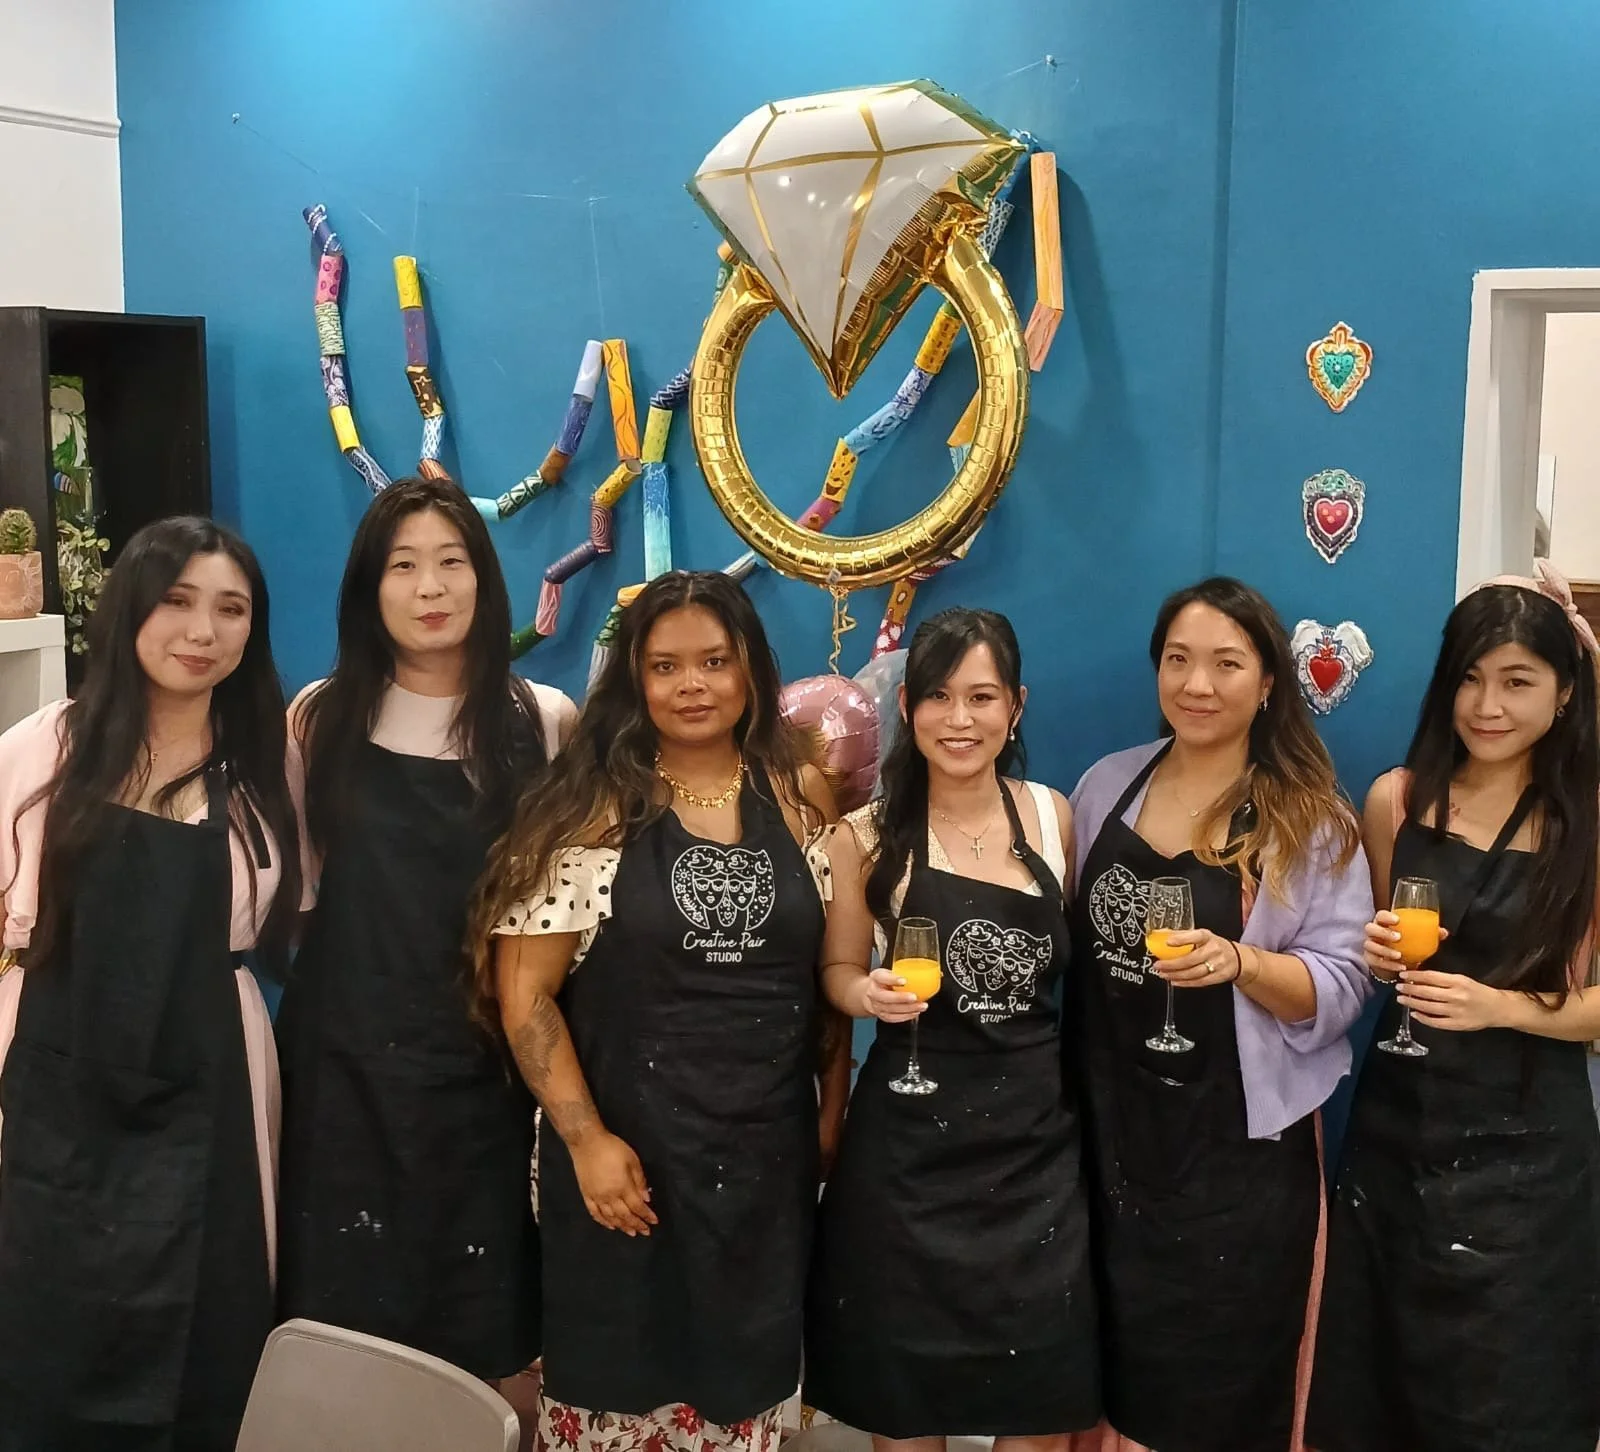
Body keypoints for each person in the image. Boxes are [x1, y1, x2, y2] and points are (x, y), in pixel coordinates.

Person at [473, 569, 856, 1452]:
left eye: (715, 662)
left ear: (750, 669)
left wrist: (829, 1118)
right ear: (635, 678)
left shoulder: (801, 794)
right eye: (666, 666)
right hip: (626, 1168)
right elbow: (524, 994)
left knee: (745, 1397)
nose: (693, 685)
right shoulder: (589, 806)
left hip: (764, 1170)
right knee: (620, 1389)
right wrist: (586, 1143)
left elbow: (822, 982)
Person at [0, 516, 300, 1449]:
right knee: (41, 1334)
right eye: (177, 600)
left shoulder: (266, 764)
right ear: (131, 604)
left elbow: (301, 907)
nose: (203, 631)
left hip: (214, 1075)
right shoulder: (41, 747)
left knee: (210, 1333)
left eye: (231, 609)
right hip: (50, 1078)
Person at [276, 476, 573, 1381]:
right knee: (341, 1324)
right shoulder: (318, 717)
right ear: (370, 587)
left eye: (451, 562)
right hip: (342, 1067)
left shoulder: (542, 720)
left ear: (484, 577)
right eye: (403, 566)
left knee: (486, 1327)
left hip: (483, 1071)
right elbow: (298, 898)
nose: (430, 588)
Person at [1067, 577, 1372, 1452]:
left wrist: (1243, 962)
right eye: (1178, 660)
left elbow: (1344, 985)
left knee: (1217, 1381)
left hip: (1238, 1151)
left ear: (1269, 681)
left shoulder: (1309, 819)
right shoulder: (1103, 787)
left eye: (1226, 664)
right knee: (1101, 1361)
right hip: (1107, 1130)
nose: (1197, 684)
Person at [1307, 563, 1600, 1452]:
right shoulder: (1397, 800)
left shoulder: (1588, 822)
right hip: (1398, 1134)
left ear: (1564, 693)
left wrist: (1503, 1008)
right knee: (1380, 1386)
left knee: (1506, 1399)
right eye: (1470, 678)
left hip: (1531, 1154)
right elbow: (1382, 948)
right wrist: (1377, 953)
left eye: (1517, 682)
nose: (1488, 705)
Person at [805, 607, 1101, 1450]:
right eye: (937, 696)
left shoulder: (1052, 816)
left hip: (1035, 1149)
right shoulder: (862, 835)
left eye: (982, 696)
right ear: (907, 708)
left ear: (1016, 705)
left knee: (1041, 1404)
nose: (959, 719)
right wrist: (867, 994)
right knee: (906, 1401)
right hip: (906, 1154)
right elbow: (835, 971)